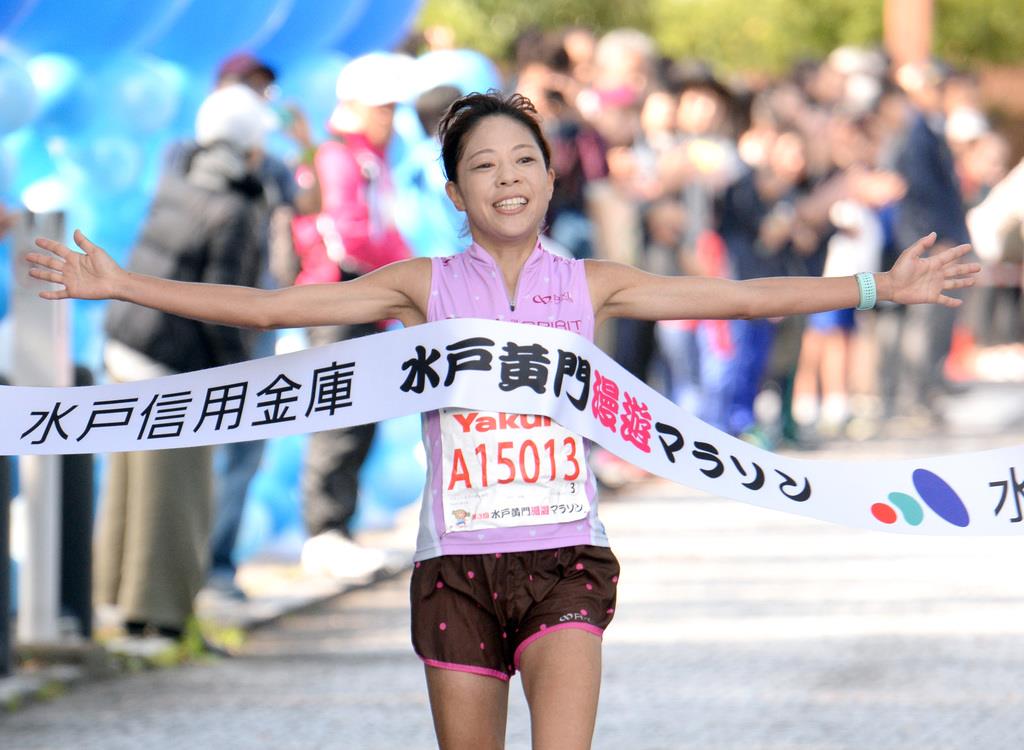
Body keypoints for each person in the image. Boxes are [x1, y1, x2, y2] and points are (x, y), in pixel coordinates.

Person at [28, 92, 978, 749]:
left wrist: (873, 285)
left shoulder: (592, 282)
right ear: (454, 193)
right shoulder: (421, 286)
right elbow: (275, 311)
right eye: (483, 165)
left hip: (565, 559)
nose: (508, 177)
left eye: (524, 160)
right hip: (455, 569)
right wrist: (120, 284)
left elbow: (736, 296)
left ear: (550, 180)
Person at [91, 83, 272, 642]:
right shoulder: (236, 205)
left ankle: (114, 601)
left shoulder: (179, 171)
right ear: (248, 147)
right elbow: (223, 304)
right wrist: (239, 374)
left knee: (128, 485)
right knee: (177, 493)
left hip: (127, 344)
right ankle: (162, 619)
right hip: (174, 363)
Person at [289, 52, 414, 580]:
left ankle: (340, 529)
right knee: (337, 417)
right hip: (338, 300)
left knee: (359, 419)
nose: (390, 116)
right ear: (355, 105)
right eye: (381, 106)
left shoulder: (369, 154)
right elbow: (348, 237)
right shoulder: (339, 154)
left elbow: (382, 230)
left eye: (392, 106)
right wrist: (402, 274)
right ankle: (324, 533)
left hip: (364, 299)